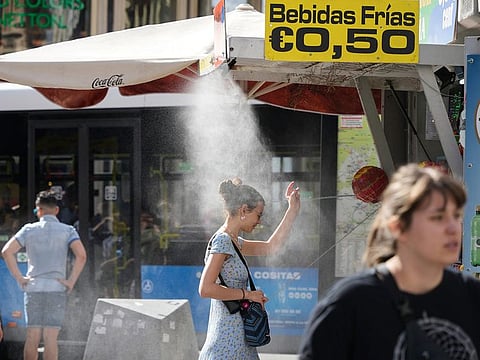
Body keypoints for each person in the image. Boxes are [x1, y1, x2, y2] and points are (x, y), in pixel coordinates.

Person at [299, 163, 480, 360]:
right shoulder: (350, 304)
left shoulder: (472, 297)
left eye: (456, 216)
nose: (453, 228)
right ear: (398, 227)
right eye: (437, 217)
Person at [198, 178, 300, 359]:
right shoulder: (223, 241)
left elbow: (271, 247)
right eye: (259, 215)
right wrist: (248, 295)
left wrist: (291, 210)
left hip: (239, 340)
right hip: (227, 343)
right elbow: (206, 288)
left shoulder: (234, 241)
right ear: (244, 210)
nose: (259, 221)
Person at [1, 189, 87, 360]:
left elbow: (6, 252)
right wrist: (70, 281)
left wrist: (20, 277)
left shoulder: (28, 230)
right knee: (50, 338)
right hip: (56, 289)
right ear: (57, 210)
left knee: (32, 336)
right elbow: (81, 256)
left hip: (33, 289)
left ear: (38, 210)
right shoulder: (67, 230)